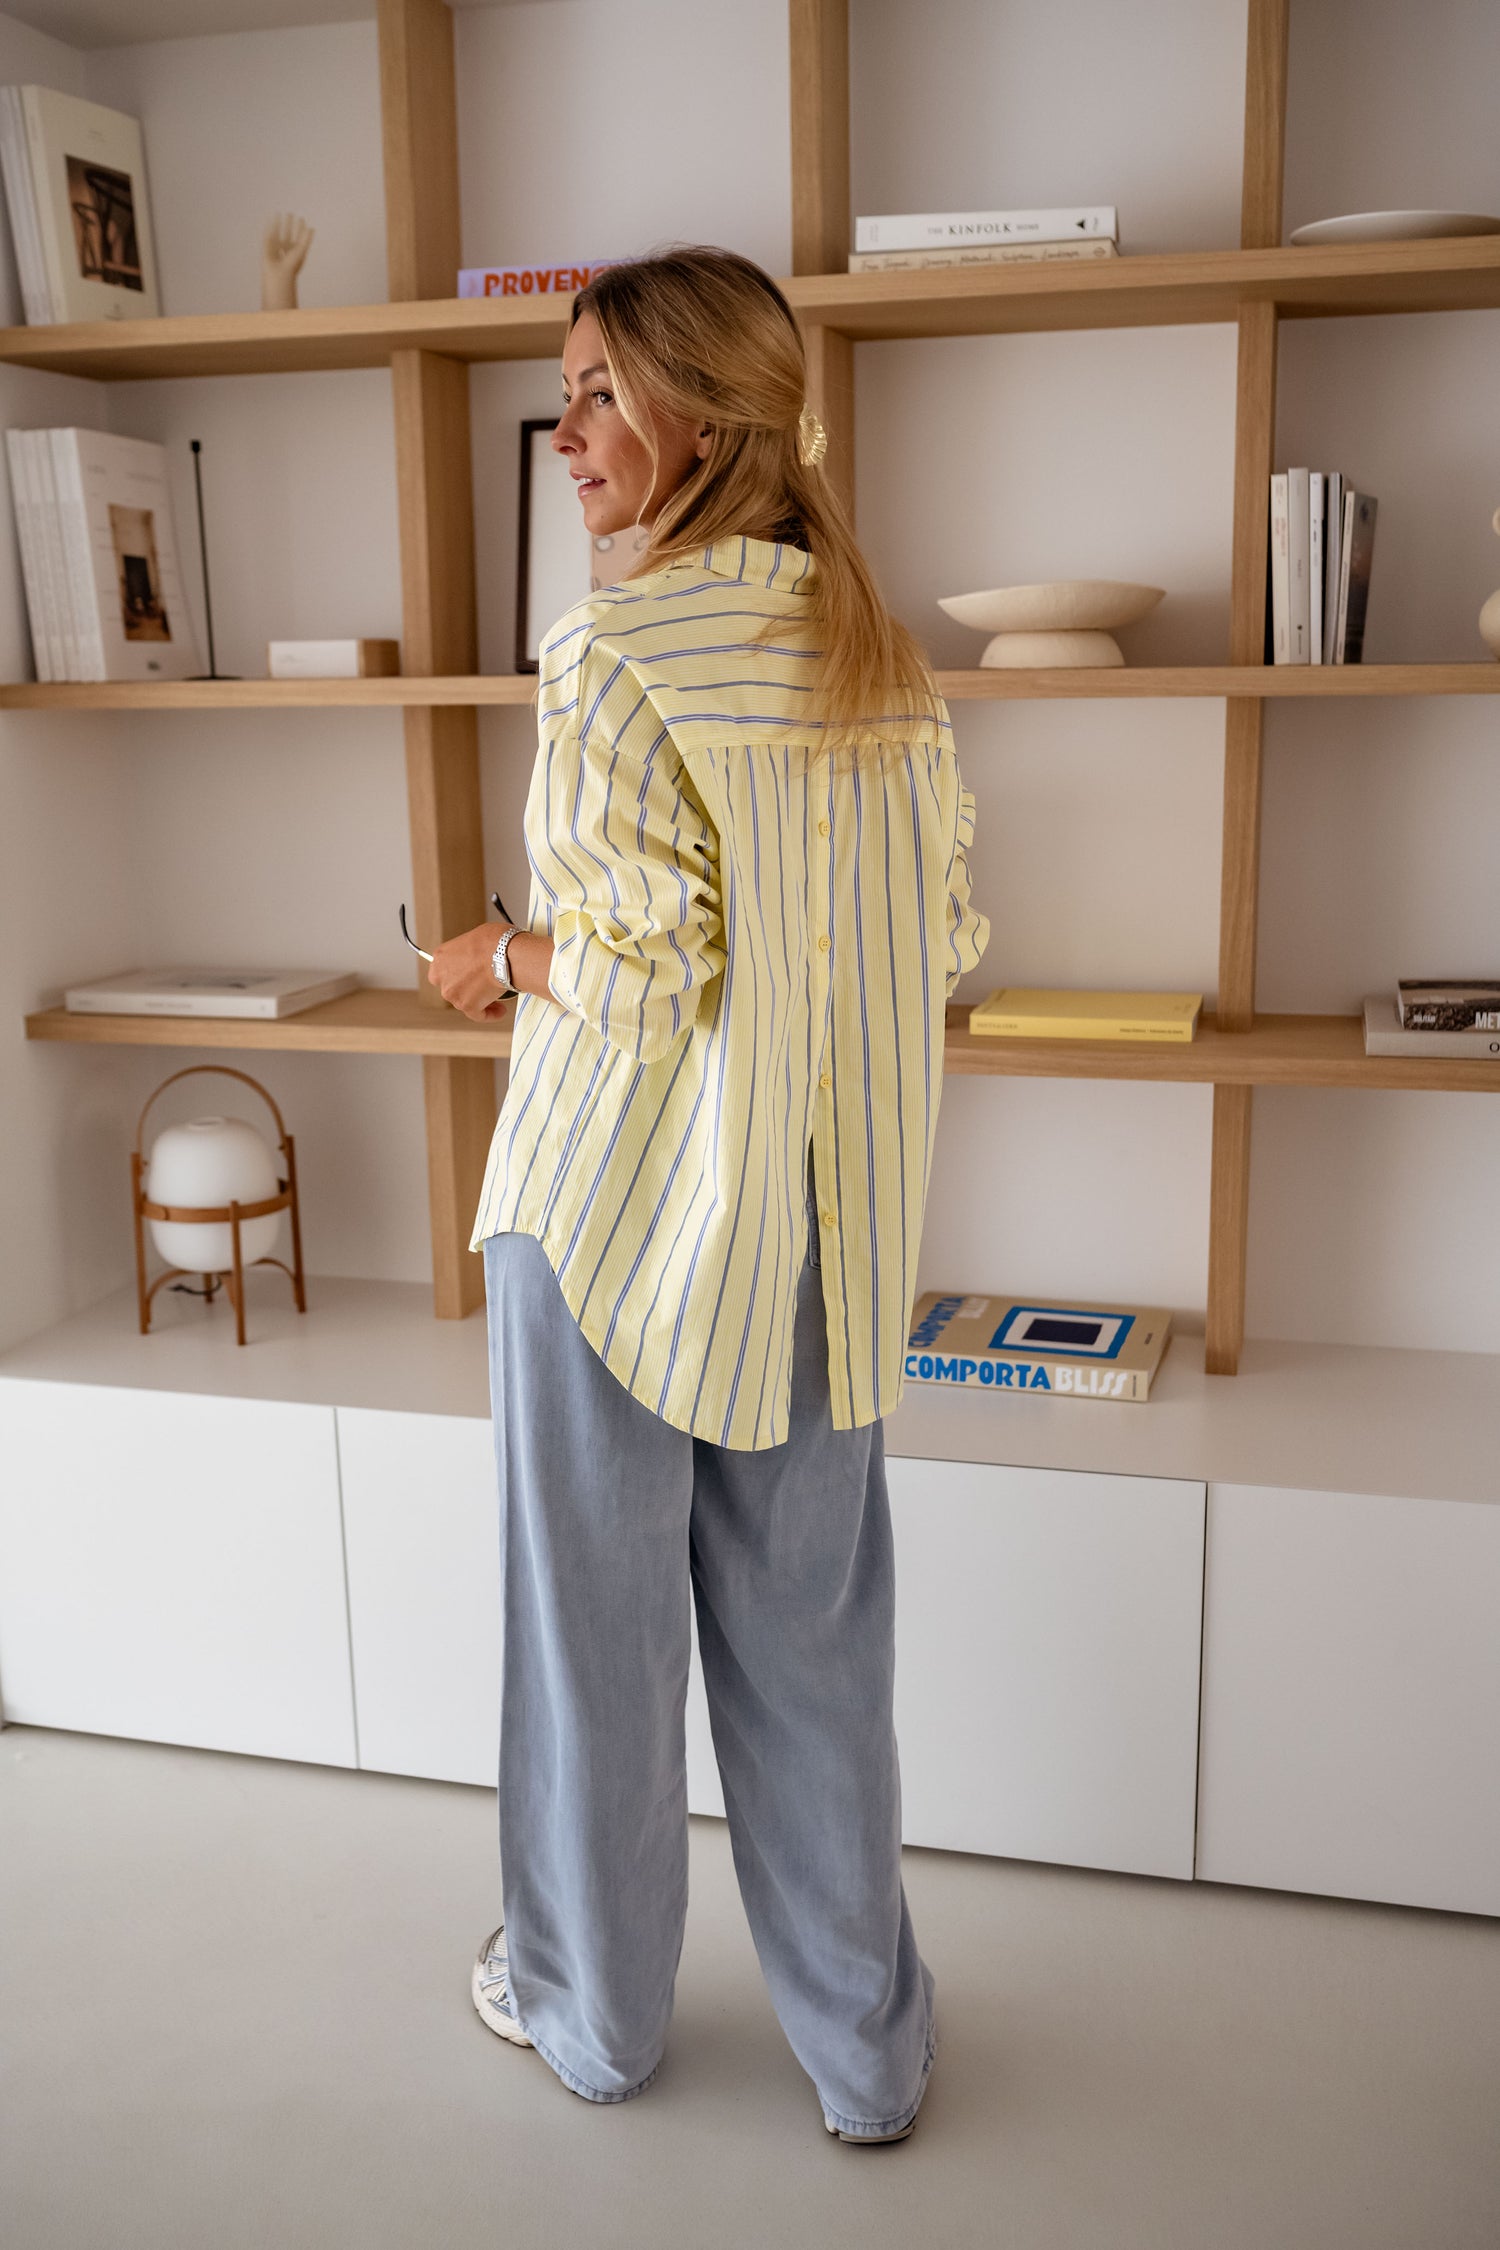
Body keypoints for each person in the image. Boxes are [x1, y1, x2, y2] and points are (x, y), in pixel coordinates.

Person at [427, 245, 989, 2145]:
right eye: (561, 396)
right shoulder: (885, 661)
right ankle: (869, 2059)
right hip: (822, 1235)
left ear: (710, 412)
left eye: (600, 390)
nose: (566, 432)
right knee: (818, 1653)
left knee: (592, 1650)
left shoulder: (614, 649)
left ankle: (591, 2017)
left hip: (605, 1225)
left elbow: (647, 971)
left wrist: (501, 956)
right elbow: (947, 937)